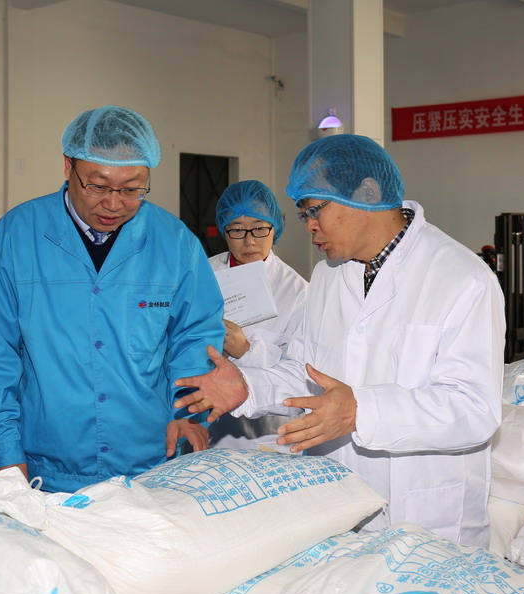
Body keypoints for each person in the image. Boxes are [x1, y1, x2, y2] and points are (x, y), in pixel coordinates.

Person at [175, 134, 505, 547]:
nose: (309, 226)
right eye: (303, 215)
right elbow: (305, 371)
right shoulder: (329, 275)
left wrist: (360, 411)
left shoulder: (462, 277)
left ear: (367, 193)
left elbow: (475, 408)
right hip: (338, 503)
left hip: (426, 514)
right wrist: (249, 386)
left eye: (316, 210)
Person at [0, 105, 225, 492]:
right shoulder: (15, 237)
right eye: (99, 186)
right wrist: (6, 454)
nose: (114, 203)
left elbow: (195, 336)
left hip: (151, 463)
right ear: (67, 166)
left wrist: (189, 412)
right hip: (44, 468)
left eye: (132, 189)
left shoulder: (174, 243)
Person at [208, 180, 308, 447]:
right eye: (237, 229)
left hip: (268, 433)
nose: (249, 240)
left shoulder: (298, 293)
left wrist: (245, 351)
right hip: (208, 423)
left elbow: (299, 376)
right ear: (224, 230)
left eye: (260, 228)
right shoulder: (202, 274)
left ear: (276, 227)